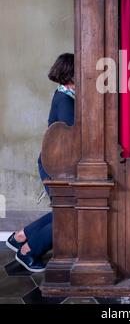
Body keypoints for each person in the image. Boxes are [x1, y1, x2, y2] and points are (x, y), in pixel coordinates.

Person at [5, 54, 75, 273]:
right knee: (69, 213)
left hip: (56, 163)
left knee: (66, 209)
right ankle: (29, 251)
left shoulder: (67, 95)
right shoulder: (65, 99)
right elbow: (70, 136)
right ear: (72, 73)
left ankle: (21, 237)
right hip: (55, 165)